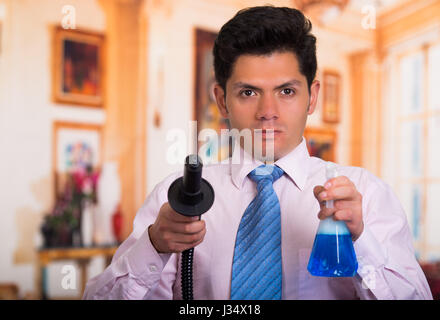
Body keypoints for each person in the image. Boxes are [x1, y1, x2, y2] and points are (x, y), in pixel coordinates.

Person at [83, 6, 432, 300]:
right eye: (248, 92)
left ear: (312, 97)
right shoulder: (175, 198)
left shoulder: (365, 195)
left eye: (286, 91)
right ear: (221, 100)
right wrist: (155, 247)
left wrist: (361, 240)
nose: (268, 111)